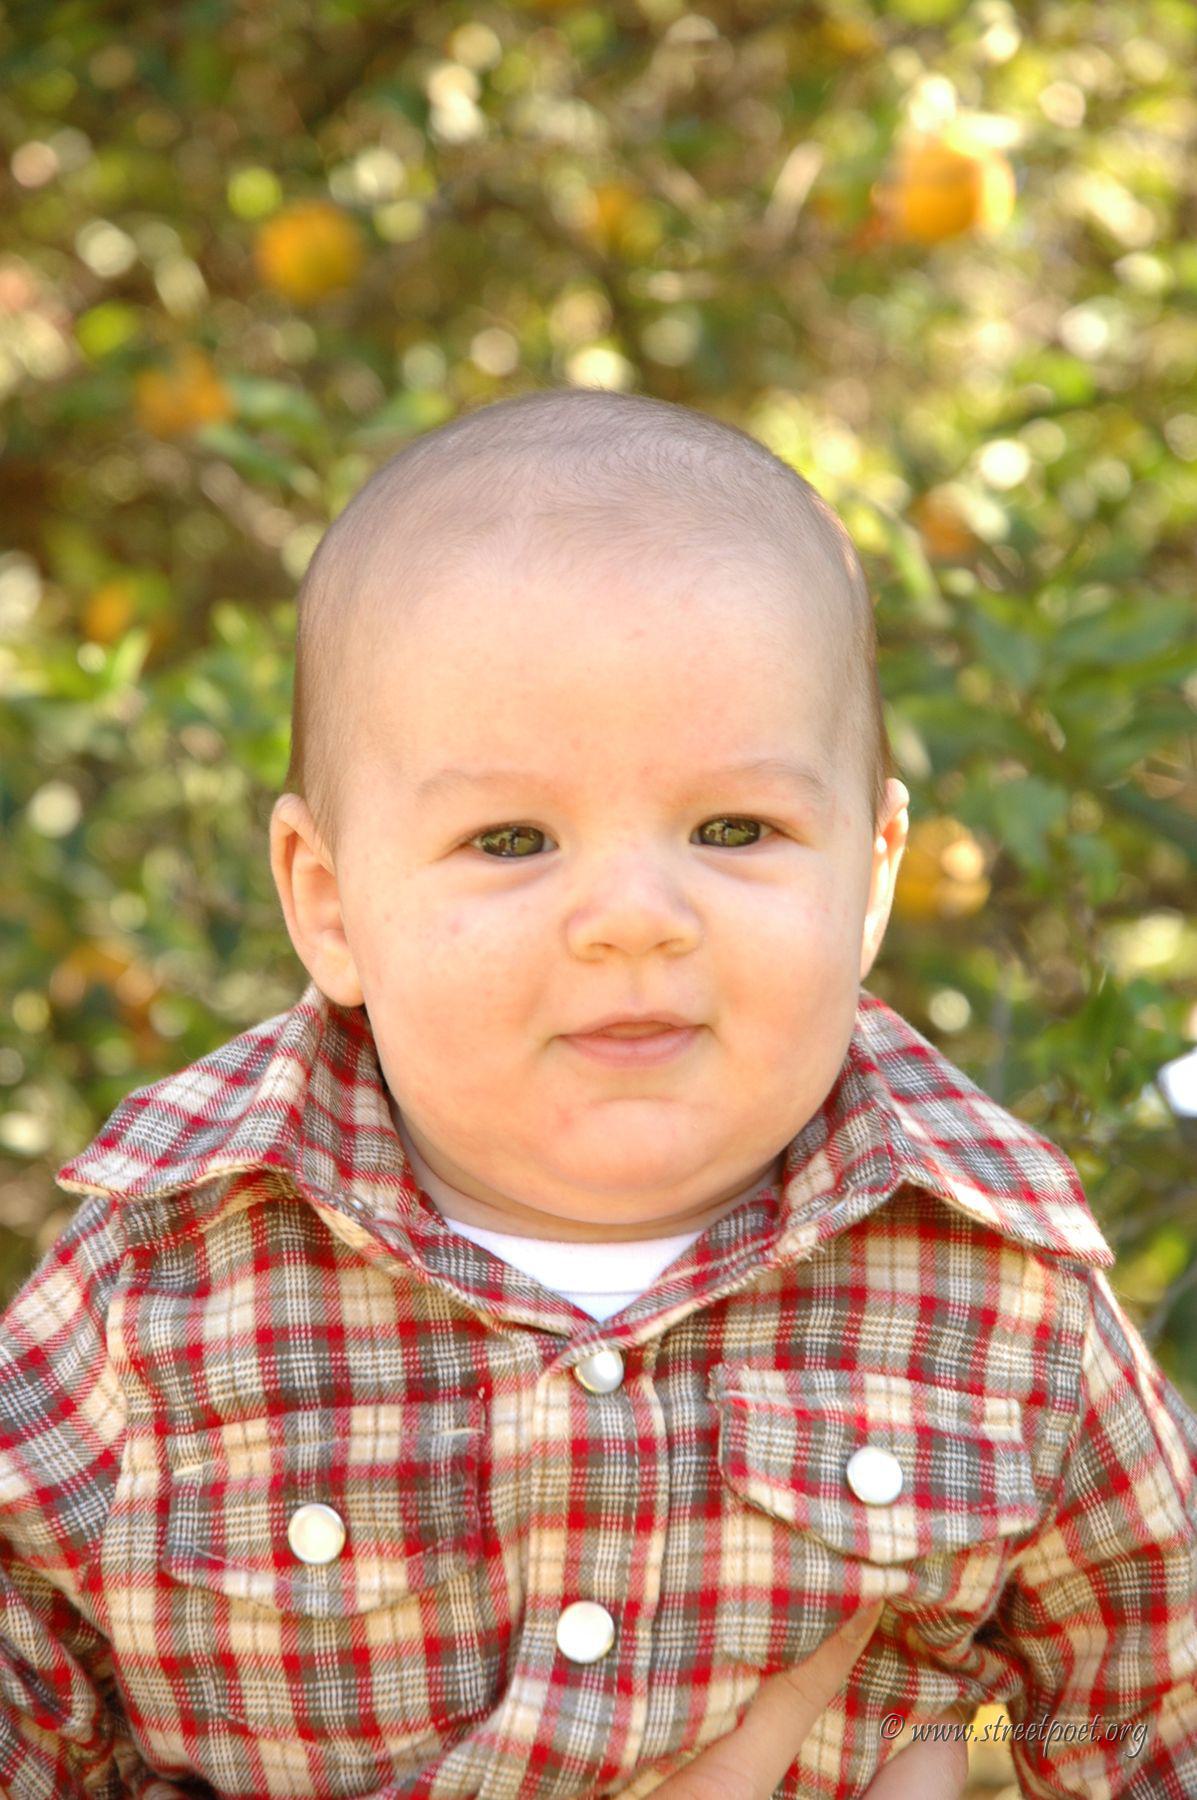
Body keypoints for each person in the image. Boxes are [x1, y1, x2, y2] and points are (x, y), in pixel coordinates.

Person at [1, 388, 1194, 1800]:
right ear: (329, 903)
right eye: (512, 838)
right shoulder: (161, 1284)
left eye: (734, 827)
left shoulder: (1001, 1294)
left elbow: (1150, 1712)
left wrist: (978, 1754)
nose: (634, 916)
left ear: (871, 877)